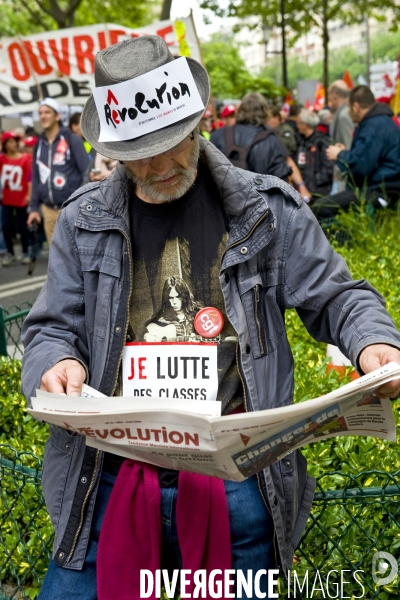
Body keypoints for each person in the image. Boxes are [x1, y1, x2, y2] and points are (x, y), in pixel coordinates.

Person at [21, 36, 400, 600]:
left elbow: (339, 296)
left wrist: (373, 344)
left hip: (236, 481)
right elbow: (50, 327)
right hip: (107, 478)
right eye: (137, 151)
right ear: (112, 149)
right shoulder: (83, 222)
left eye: (171, 142)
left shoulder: (265, 210)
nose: (158, 164)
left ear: (199, 120)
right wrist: (56, 362)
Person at [313, 85, 400, 220]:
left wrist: (339, 155)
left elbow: (361, 166)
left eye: (349, 108)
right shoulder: (381, 122)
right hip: (383, 187)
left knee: (320, 207)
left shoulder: (373, 126)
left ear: (356, 106)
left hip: (380, 191)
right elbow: (368, 156)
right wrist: (346, 152)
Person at [27, 98, 88, 244]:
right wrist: (34, 208)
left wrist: (80, 205)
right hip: (48, 211)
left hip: (71, 210)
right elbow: (36, 179)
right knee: (55, 262)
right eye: (40, 113)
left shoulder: (72, 139)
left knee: (76, 260)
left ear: (57, 116)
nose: (43, 116)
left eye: (47, 112)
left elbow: (86, 173)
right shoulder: (38, 145)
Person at [210, 92, 292, 180]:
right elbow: (279, 179)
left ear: (240, 110)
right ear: (265, 112)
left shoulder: (218, 135)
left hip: (224, 192)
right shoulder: (270, 139)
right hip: (261, 193)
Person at [0, 132, 32, 265]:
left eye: (14, 141)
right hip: (6, 197)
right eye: (10, 142)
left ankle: (26, 251)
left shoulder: (25, 158)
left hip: (20, 197)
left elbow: (29, 178)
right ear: (5, 145)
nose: (13, 144)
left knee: (22, 225)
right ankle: (10, 252)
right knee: (6, 225)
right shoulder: (2, 159)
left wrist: (29, 194)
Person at [143, 276, 203, 342]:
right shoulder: (161, 319)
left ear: (184, 296)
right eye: (171, 298)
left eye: (178, 297)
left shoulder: (198, 315)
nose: (174, 302)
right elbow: (147, 332)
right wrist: (147, 336)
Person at [295, 109, 334, 200]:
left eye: (299, 123)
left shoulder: (322, 142)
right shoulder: (301, 141)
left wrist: (314, 183)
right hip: (303, 190)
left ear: (305, 124)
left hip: (319, 193)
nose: (297, 126)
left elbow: (328, 167)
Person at [328, 81, 355, 194]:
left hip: (343, 176)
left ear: (334, 95)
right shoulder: (343, 113)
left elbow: (348, 146)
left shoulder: (344, 115)